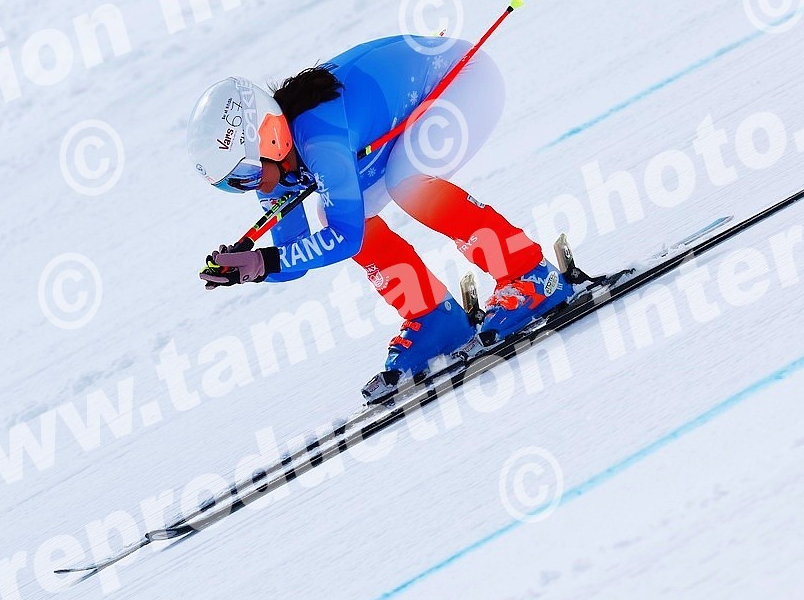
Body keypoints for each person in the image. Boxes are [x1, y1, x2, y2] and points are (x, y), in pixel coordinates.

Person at [188, 34, 570, 402]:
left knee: (406, 183)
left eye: (246, 173)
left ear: (269, 137)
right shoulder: (271, 167)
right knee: (337, 210)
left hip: (464, 81)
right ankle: (435, 317)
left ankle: (530, 274)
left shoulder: (319, 137)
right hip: (412, 110)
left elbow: (345, 238)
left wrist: (263, 261)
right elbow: (294, 256)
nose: (250, 186)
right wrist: (251, 269)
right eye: (234, 183)